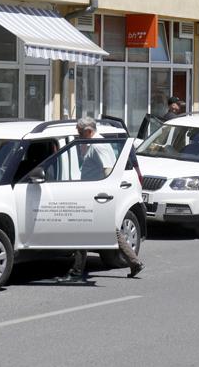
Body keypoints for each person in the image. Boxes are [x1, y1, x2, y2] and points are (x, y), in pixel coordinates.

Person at [59, 117, 144, 282]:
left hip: (95, 196)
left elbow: (108, 171)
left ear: (89, 131)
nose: (78, 135)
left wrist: (106, 198)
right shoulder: (95, 144)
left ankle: (77, 270)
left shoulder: (98, 146)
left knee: (83, 231)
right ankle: (134, 262)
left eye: (79, 132)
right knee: (108, 231)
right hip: (92, 194)